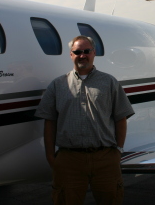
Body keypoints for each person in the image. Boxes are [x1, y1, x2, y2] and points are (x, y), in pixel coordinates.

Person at [35, 35, 135, 204]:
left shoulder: (109, 82)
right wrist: (51, 156)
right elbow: (49, 122)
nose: (82, 55)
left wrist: (118, 150)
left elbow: (121, 117)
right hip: (69, 160)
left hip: (105, 158)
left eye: (86, 51)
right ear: (71, 55)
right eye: (77, 52)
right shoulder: (57, 85)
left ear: (94, 53)